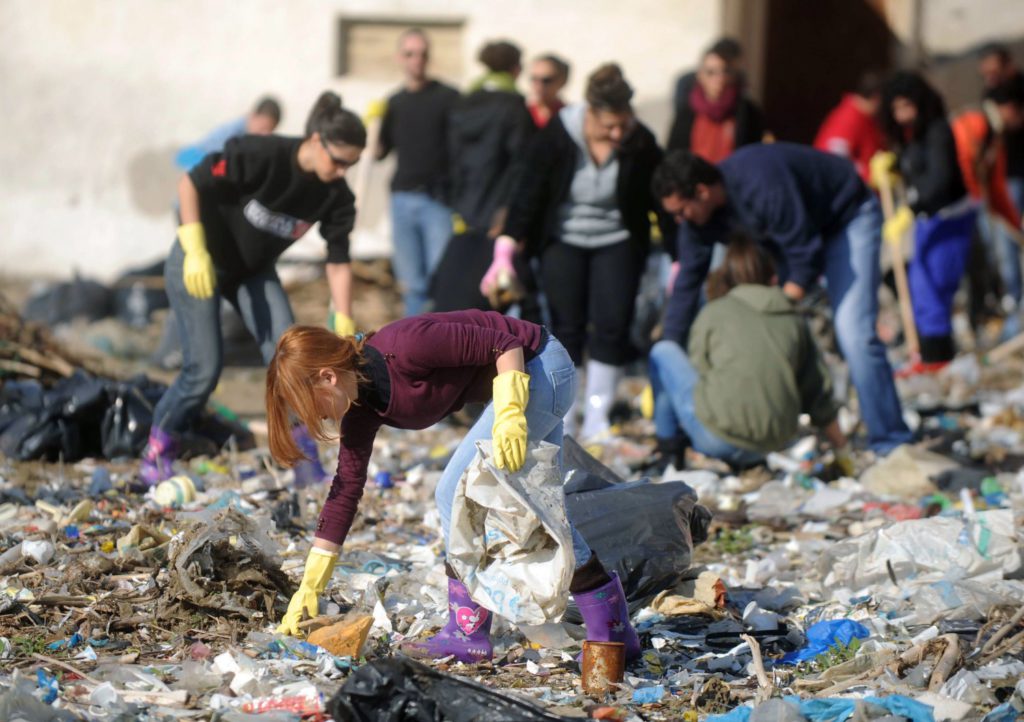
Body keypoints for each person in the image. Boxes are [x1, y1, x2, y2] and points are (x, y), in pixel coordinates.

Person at [265, 311, 641, 664]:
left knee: (453, 490)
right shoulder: (362, 406)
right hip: (522, 379)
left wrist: (510, 410)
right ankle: (614, 633)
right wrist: (311, 584)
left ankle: (468, 631)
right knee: (543, 510)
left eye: (310, 406)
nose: (316, 418)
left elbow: (504, 344)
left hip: (540, 366)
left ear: (328, 377)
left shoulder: (408, 345)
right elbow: (346, 489)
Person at [139, 92, 365, 485]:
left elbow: (339, 260)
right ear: (316, 141)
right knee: (202, 369)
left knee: (292, 361)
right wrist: (193, 246)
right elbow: (190, 182)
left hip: (253, 273)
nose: (343, 171)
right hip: (201, 260)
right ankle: (157, 452)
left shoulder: (336, 195)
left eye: (352, 164)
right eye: (339, 160)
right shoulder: (261, 153)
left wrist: (342, 316)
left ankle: (302, 458)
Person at [653, 144, 912, 455]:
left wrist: (772, 316)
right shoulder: (698, 221)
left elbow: (805, 256)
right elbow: (687, 284)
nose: (680, 220)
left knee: (853, 333)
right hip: (791, 241)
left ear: (702, 192)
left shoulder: (760, 182)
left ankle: (890, 440)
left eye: (682, 211)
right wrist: (669, 346)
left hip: (845, 218)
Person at [482, 64, 674, 439]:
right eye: (608, 126)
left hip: (618, 241)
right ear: (590, 113)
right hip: (562, 240)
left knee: (612, 324)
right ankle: (565, 414)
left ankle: (598, 414)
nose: (617, 133)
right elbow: (528, 193)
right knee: (566, 327)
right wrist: (505, 247)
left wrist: (677, 253)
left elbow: (662, 199)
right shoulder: (557, 135)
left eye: (623, 124)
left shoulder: (640, 141)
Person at [649, 236, 847, 469]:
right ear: (771, 274)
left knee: (663, 351)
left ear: (729, 273)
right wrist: (843, 450)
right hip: (776, 443)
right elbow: (817, 393)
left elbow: (700, 373)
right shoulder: (794, 318)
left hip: (717, 440)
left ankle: (669, 453)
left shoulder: (714, 311)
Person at [875, 72, 976, 372]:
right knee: (920, 287)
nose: (902, 114)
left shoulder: (938, 130)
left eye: (906, 106)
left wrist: (910, 209)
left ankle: (937, 357)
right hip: (926, 220)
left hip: (949, 219)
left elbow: (941, 180)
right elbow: (913, 164)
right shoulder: (911, 135)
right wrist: (892, 166)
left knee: (936, 287)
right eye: (896, 109)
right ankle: (927, 353)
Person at [431, 41, 538, 317]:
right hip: (499, 217)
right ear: (516, 69)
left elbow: (449, 158)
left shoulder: (462, 104)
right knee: (498, 297)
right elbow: (522, 166)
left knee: (457, 292)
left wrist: (455, 201)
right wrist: (509, 211)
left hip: (462, 212)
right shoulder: (515, 108)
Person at [377, 28, 460, 316]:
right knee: (412, 284)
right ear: (400, 58)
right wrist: (370, 128)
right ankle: (416, 351)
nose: (417, 60)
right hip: (401, 199)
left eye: (423, 54)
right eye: (410, 54)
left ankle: (448, 351)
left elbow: (462, 150)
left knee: (443, 280)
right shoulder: (394, 102)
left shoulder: (449, 97)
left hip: (437, 199)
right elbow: (380, 152)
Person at [952, 80, 1024, 338]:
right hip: (961, 208)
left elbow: (996, 185)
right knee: (982, 264)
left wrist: (1013, 223)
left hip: (978, 202)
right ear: (1007, 108)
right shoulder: (972, 125)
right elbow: (962, 167)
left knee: (1004, 250)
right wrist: (976, 200)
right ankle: (985, 314)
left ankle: (1012, 304)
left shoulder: (995, 136)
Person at [667, 39, 764, 162]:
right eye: (711, 72)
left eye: (725, 72)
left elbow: (753, 155)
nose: (719, 79)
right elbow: (674, 156)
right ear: (700, 75)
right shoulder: (686, 113)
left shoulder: (748, 113)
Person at [174, 96, 282, 171]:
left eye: (269, 131)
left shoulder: (250, 138)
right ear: (253, 116)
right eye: (263, 128)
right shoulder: (232, 134)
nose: (264, 134)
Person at [814, 73, 885, 184]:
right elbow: (835, 162)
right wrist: (870, 174)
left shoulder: (865, 117)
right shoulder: (847, 119)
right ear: (877, 98)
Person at [527, 54, 570, 128]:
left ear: (562, 81)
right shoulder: (522, 113)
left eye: (546, 80)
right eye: (534, 79)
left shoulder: (568, 117)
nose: (539, 86)